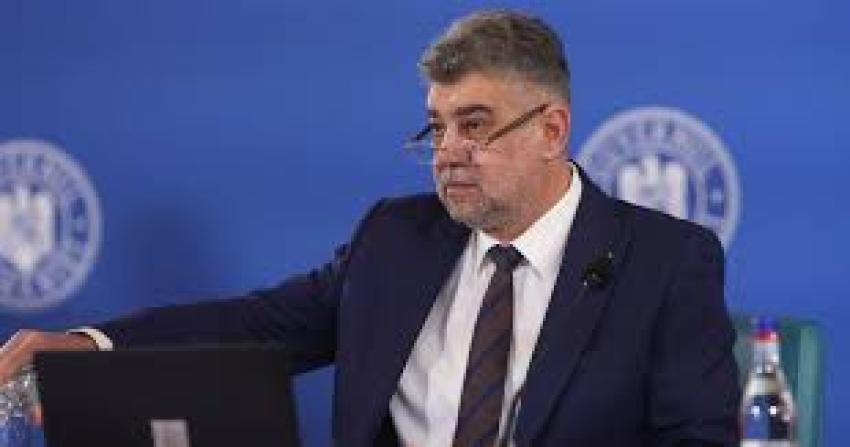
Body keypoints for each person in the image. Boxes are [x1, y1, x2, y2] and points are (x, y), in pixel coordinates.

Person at [0, 9, 739, 446]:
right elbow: (256, 326)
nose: (447, 152)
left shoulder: (664, 261)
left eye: (474, 125)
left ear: (552, 129)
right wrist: (89, 346)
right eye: (436, 128)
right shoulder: (396, 240)